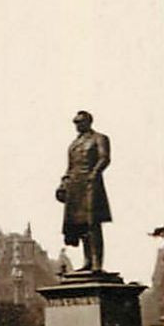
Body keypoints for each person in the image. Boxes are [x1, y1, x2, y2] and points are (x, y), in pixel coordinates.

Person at [57, 110, 111, 273]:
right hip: (75, 186)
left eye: (79, 122)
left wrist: (94, 173)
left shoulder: (99, 138)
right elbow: (70, 166)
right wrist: (64, 182)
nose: (77, 125)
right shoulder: (73, 145)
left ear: (88, 122)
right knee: (81, 226)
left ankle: (97, 263)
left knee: (92, 224)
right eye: (75, 122)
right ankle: (87, 261)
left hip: (90, 185)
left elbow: (104, 158)